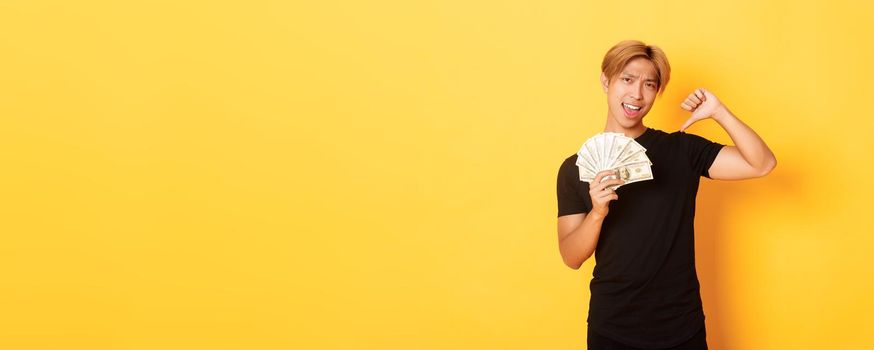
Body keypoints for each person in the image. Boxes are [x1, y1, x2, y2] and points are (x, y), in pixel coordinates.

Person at [555, 40, 777, 350]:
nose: (637, 94)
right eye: (627, 79)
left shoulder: (682, 150)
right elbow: (571, 257)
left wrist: (719, 112)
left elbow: (762, 163)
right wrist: (597, 213)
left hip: (680, 326)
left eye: (649, 84)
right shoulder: (574, 168)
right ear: (606, 80)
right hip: (612, 327)